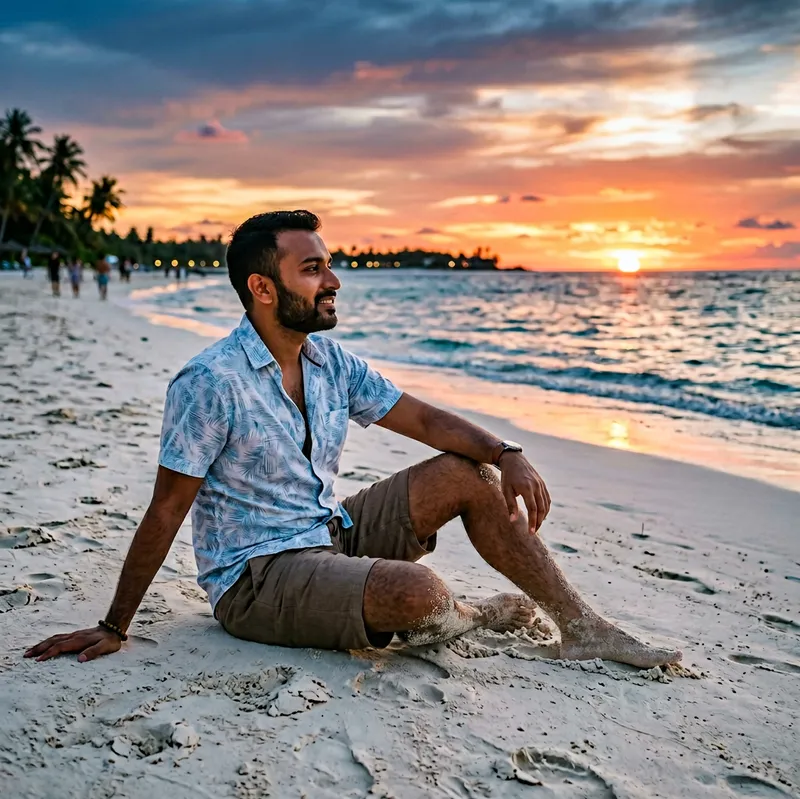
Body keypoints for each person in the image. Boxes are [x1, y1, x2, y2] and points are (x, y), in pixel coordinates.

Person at [25, 210, 682, 669]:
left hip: (327, 532)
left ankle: (581, 628)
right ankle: (471, 616)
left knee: (467, 472)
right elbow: (167, 508)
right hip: (256, 580)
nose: (333, 281)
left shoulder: (328, 363)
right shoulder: (209, 382)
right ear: (263, 287)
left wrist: (507, 453)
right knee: (420, 594)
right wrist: (115, 624)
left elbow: (424, 420)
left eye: (329, 266)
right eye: (312, 269)